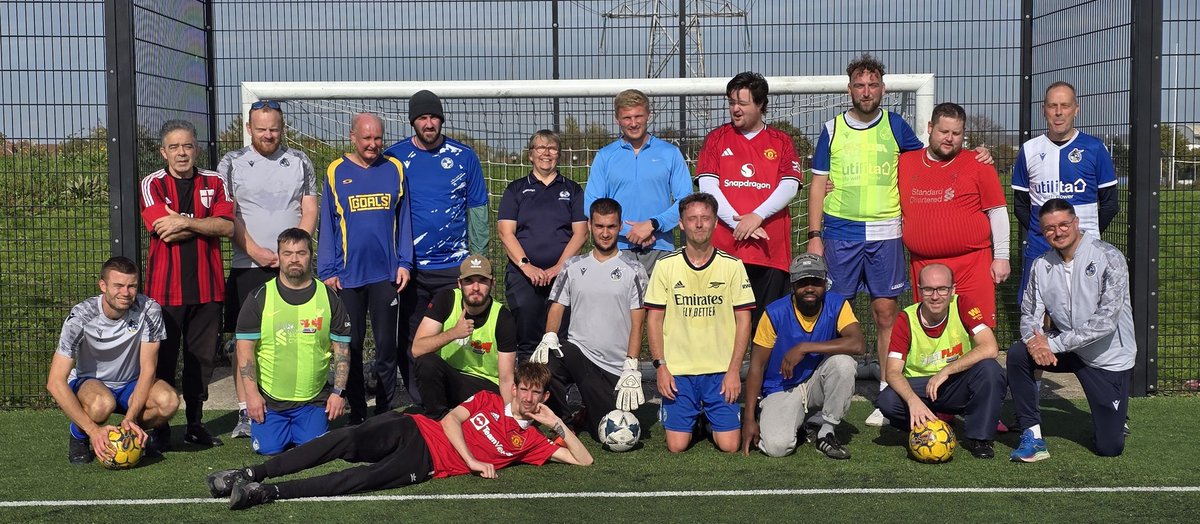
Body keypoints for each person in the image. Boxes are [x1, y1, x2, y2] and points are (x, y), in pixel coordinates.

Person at [807, 54, 991, 427]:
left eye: (873, 85)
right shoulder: (831, 129)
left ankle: (885, 392)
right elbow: (815, 185)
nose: (866, 91)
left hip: (886, 234)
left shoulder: (895, 125)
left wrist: (974, 154)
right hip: (840, 233)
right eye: (859, 85)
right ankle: (825, 390)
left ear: (883, 89)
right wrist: (814, 235)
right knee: (834, 313)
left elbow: (934, 159)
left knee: (885, 313)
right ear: (849, 90)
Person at [205, 362, 592, 510]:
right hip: (416, 428)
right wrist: (473, 461)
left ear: (542, 396)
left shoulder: (534, 443)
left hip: (426, 463)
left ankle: (266, 494)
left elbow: (584, 460)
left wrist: (557, 423)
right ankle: (252, 473)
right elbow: (452, 421)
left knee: (361, 481)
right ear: (516, 388)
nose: (526, 397)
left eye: (534, 393)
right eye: (522, 388)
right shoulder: (489, 398)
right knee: (344, 441)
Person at [218, 99, 319, 439]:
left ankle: (296, 405)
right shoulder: (231, 163)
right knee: (245, 340)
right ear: (249, 129)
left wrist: (293, 253)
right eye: (261, 129)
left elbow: (309, 209)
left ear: (283, 128)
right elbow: (227, 216)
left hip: (292, 268)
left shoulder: (300, 161)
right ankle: (246, 411)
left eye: (274, 129)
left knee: (292, 335)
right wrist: (256, 251)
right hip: (248, 264)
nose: (268, 134)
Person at [1007, 198, 1135, 461]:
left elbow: (1106, 321)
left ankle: (1114, 417)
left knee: (1109, 448)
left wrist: (1050, 345)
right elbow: (1030, 313)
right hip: (1068, 349)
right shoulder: (1041, 265)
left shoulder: (1109, 257)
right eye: (1049, 228)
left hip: (1107, 359)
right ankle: (1033, 437)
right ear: (1043, 233)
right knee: (1018, 354)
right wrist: (1034, 342)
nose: (1058, 232)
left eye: (1064, 224)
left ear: (1076, 223)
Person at [384, 90, 490, 402]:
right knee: (412, 336)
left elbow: (478, 211)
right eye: (423, 117)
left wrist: (477, 259)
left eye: (434, 117)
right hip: (411, 269)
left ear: (441, 120)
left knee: (461, 333)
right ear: (412, 121)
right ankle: (422, 398)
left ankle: (461, 393)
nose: (429, 123)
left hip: (453, 267)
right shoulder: (394, 158)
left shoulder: (463, 156)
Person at [139, 119, 234, 447]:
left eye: (188, 146)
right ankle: (160, 427)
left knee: (201, 359)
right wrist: (201, 222)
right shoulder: (151, 184)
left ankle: (195, 423)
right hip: (165, 291)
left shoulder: (215, 181)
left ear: (197, 148)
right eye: (175, 147)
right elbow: (160, 229)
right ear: (164, 152)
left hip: (208, 289)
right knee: (162, 358)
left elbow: (226, 227)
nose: (182, 153)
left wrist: (180, 220)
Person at [316, 112, 413, 424]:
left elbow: (405, 221)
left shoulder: (395, 168)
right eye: (367, 138)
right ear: (352, 137)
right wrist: (328, 270)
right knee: (351, 347)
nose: (373, 144)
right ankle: (357, 414)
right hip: (346, 278)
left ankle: (383, 414)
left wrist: (405, 263)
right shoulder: (335, 171)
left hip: (386, 276)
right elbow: (327, 226)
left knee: (387, 348)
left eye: (378, 138)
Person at [644, 192, 755, 453]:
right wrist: (661, 367)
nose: (699, 224)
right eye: (692, 219)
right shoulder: (665, 266)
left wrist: (733, 371)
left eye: (705, 218)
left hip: (719, 372)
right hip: (679, 372)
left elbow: (744, 320)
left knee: (729, 446)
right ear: (681, 224)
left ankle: (706, 418)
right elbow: (654, 320)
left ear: (716, 222)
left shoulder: (733, 266)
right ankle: (692, 417)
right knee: (676, 446)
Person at [532, 197, 649, 441]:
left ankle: (588, 410)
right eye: (599, 226)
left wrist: (631, 365)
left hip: (613, 367)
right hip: (578, 353)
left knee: (606, 431)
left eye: (611, 226)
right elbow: (557, 306)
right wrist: (550, 336)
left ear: (619, 228)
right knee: (545, 361)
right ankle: (563, 425)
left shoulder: (634, 269)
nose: (605, 233)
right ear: (589, 226)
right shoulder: (573, 266)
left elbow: (638, 323)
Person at [696, 72, 802, 328]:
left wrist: (757, 217)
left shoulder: (781, 141)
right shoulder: (716, 139)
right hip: (725, 251)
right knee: (721, 328)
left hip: (769, 252)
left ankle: (762, 371)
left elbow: (790, 185)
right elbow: (708, 186)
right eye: (732, 102)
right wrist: (738, 224)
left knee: (766, 329)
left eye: (742, 103)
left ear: (761, 105)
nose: (735, 109)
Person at [47, 257, 179, 464]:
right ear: (103, 286)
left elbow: (148, 369)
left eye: (132, 286)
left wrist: (131, 417)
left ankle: (132, 432)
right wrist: (93, 430)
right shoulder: (81, 316)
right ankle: (79, 435)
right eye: (118, 285)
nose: (126, 293)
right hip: (90, 382)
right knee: (101, 405)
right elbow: (55, 382)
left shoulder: (149, 310)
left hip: (131, 384)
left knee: (169, 401)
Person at [234, 228, 353, 455]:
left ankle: (304, 427)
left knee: (312, 450)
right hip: (270, 402)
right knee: (269, 449)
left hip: (312, 400)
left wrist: (338, 393)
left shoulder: (329, 297)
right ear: (278, 257)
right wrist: (252, 396)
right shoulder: (259, 297)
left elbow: (342, 350)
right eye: (287, 253)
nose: (294, 259)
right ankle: (277, 429)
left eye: (301, 253)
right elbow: (245, 351)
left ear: (311, 255)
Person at [875, 264, 1007, 459]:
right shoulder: (906, 318)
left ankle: (980, 438)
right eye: (928, 289)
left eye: (942, 289)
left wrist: (946, 371)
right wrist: (913, 401)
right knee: (887, 400)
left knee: (990, 370)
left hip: (954, 382)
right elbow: (892, 372)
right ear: (919, 290)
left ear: (952, 289)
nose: (935, 296)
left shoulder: (963, 305)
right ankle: (930, 423)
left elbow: (990, 347)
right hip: (920, 387)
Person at [898, 102, 1010, 329]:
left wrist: (1002, 256)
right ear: (930, 128)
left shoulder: (978, 163)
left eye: (956, 133)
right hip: (925, 266)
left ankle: (981, 366)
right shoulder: (905, 162)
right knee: (932, 333)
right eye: (944, 131)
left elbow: (997, 210)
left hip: (972, 265)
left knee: (978, 330)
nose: (949, 138)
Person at [741, 253, 864, 460]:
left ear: (825, 283)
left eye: (815, 282)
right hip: (781, 387)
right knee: (776, 448)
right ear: (792, 285)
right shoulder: (774, 313)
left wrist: (804, 347)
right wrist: (748, 418)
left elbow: (858, 343)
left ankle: (826, 431)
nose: (809, 288)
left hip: (816, 382)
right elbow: (756, 366)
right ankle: (797, 422)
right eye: (802, 282)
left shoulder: (837, 304)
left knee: (843, 364)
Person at [1012, 82, 1118, 299]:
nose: (1058, 112)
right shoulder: (1029, 149)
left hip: (1085, 248)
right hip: (1040, 248)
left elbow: (1110, 204)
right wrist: (1044, 232)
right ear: (1044, 110)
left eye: (1065, 105)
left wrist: (1084, 234)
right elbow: (1020, 205)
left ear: (1076, 110)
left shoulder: (1095, 148)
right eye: (1052, 106)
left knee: (1085, 311)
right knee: (1035, 312)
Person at [497, 130, 588, 361]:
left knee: (560, 339)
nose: (546, 153)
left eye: (552, 148)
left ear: (559, 154)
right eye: (540, 148)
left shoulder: (573, 190)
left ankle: (556, 395)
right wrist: (527, 267)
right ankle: (528, 395)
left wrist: (559, 267)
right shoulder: (516, 189)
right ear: (530, 155)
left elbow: (580, 233)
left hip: (563, 275)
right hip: (524, 277)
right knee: (528, 340)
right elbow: (506, 233)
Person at [584, 89, 693, 274]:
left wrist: (653, 224)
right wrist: (628, 230)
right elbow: (591, 204)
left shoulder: (670, 153)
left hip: (660, 247)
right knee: (617, 304)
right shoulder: (605, 156)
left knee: (658, 304)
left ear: (648, 115)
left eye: (638, 116)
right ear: (617, 119)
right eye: (627, 118)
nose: (633, 123)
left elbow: (686, 202)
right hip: (616, 247)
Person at [410, 254, 518, 419]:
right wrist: (453, 333)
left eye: (482, 280)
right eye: (469, 281)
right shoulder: (445, 299)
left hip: (484, 387)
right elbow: (417, 349)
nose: (475, 287)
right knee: (426, 362)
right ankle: (437, 421)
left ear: (493, 284)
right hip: (450, 380)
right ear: (459, 284)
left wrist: (510, 419)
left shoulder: (503, 318)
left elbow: (506, 378)